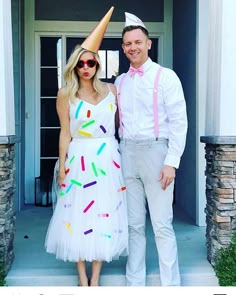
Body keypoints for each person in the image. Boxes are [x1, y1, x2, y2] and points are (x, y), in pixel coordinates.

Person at [45, 7, 128, 287]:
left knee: (104, 212)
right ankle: (82, 276)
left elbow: (122, 125)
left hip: (107, 160)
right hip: (79, 157)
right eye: (81, 64)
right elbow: (65, 133)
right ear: (74, 67)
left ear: (97, 66)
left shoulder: (112, 91)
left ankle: (96, 277)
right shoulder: (64, 94)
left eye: (91, 63)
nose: (85, 68)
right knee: (77, 214)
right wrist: (61, 167)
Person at [115, 12, 188, 286]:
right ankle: (135, 283)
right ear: (123, 48)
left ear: (148, 44)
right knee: (133, 225)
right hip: (127, 153)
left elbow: (179, 122)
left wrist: (172, 161)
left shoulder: (166, 77)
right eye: (127, 43)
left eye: (137, 41)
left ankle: (171, 285)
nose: (132, 47)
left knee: (161, 224)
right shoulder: (121, 82)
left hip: (157, 153)